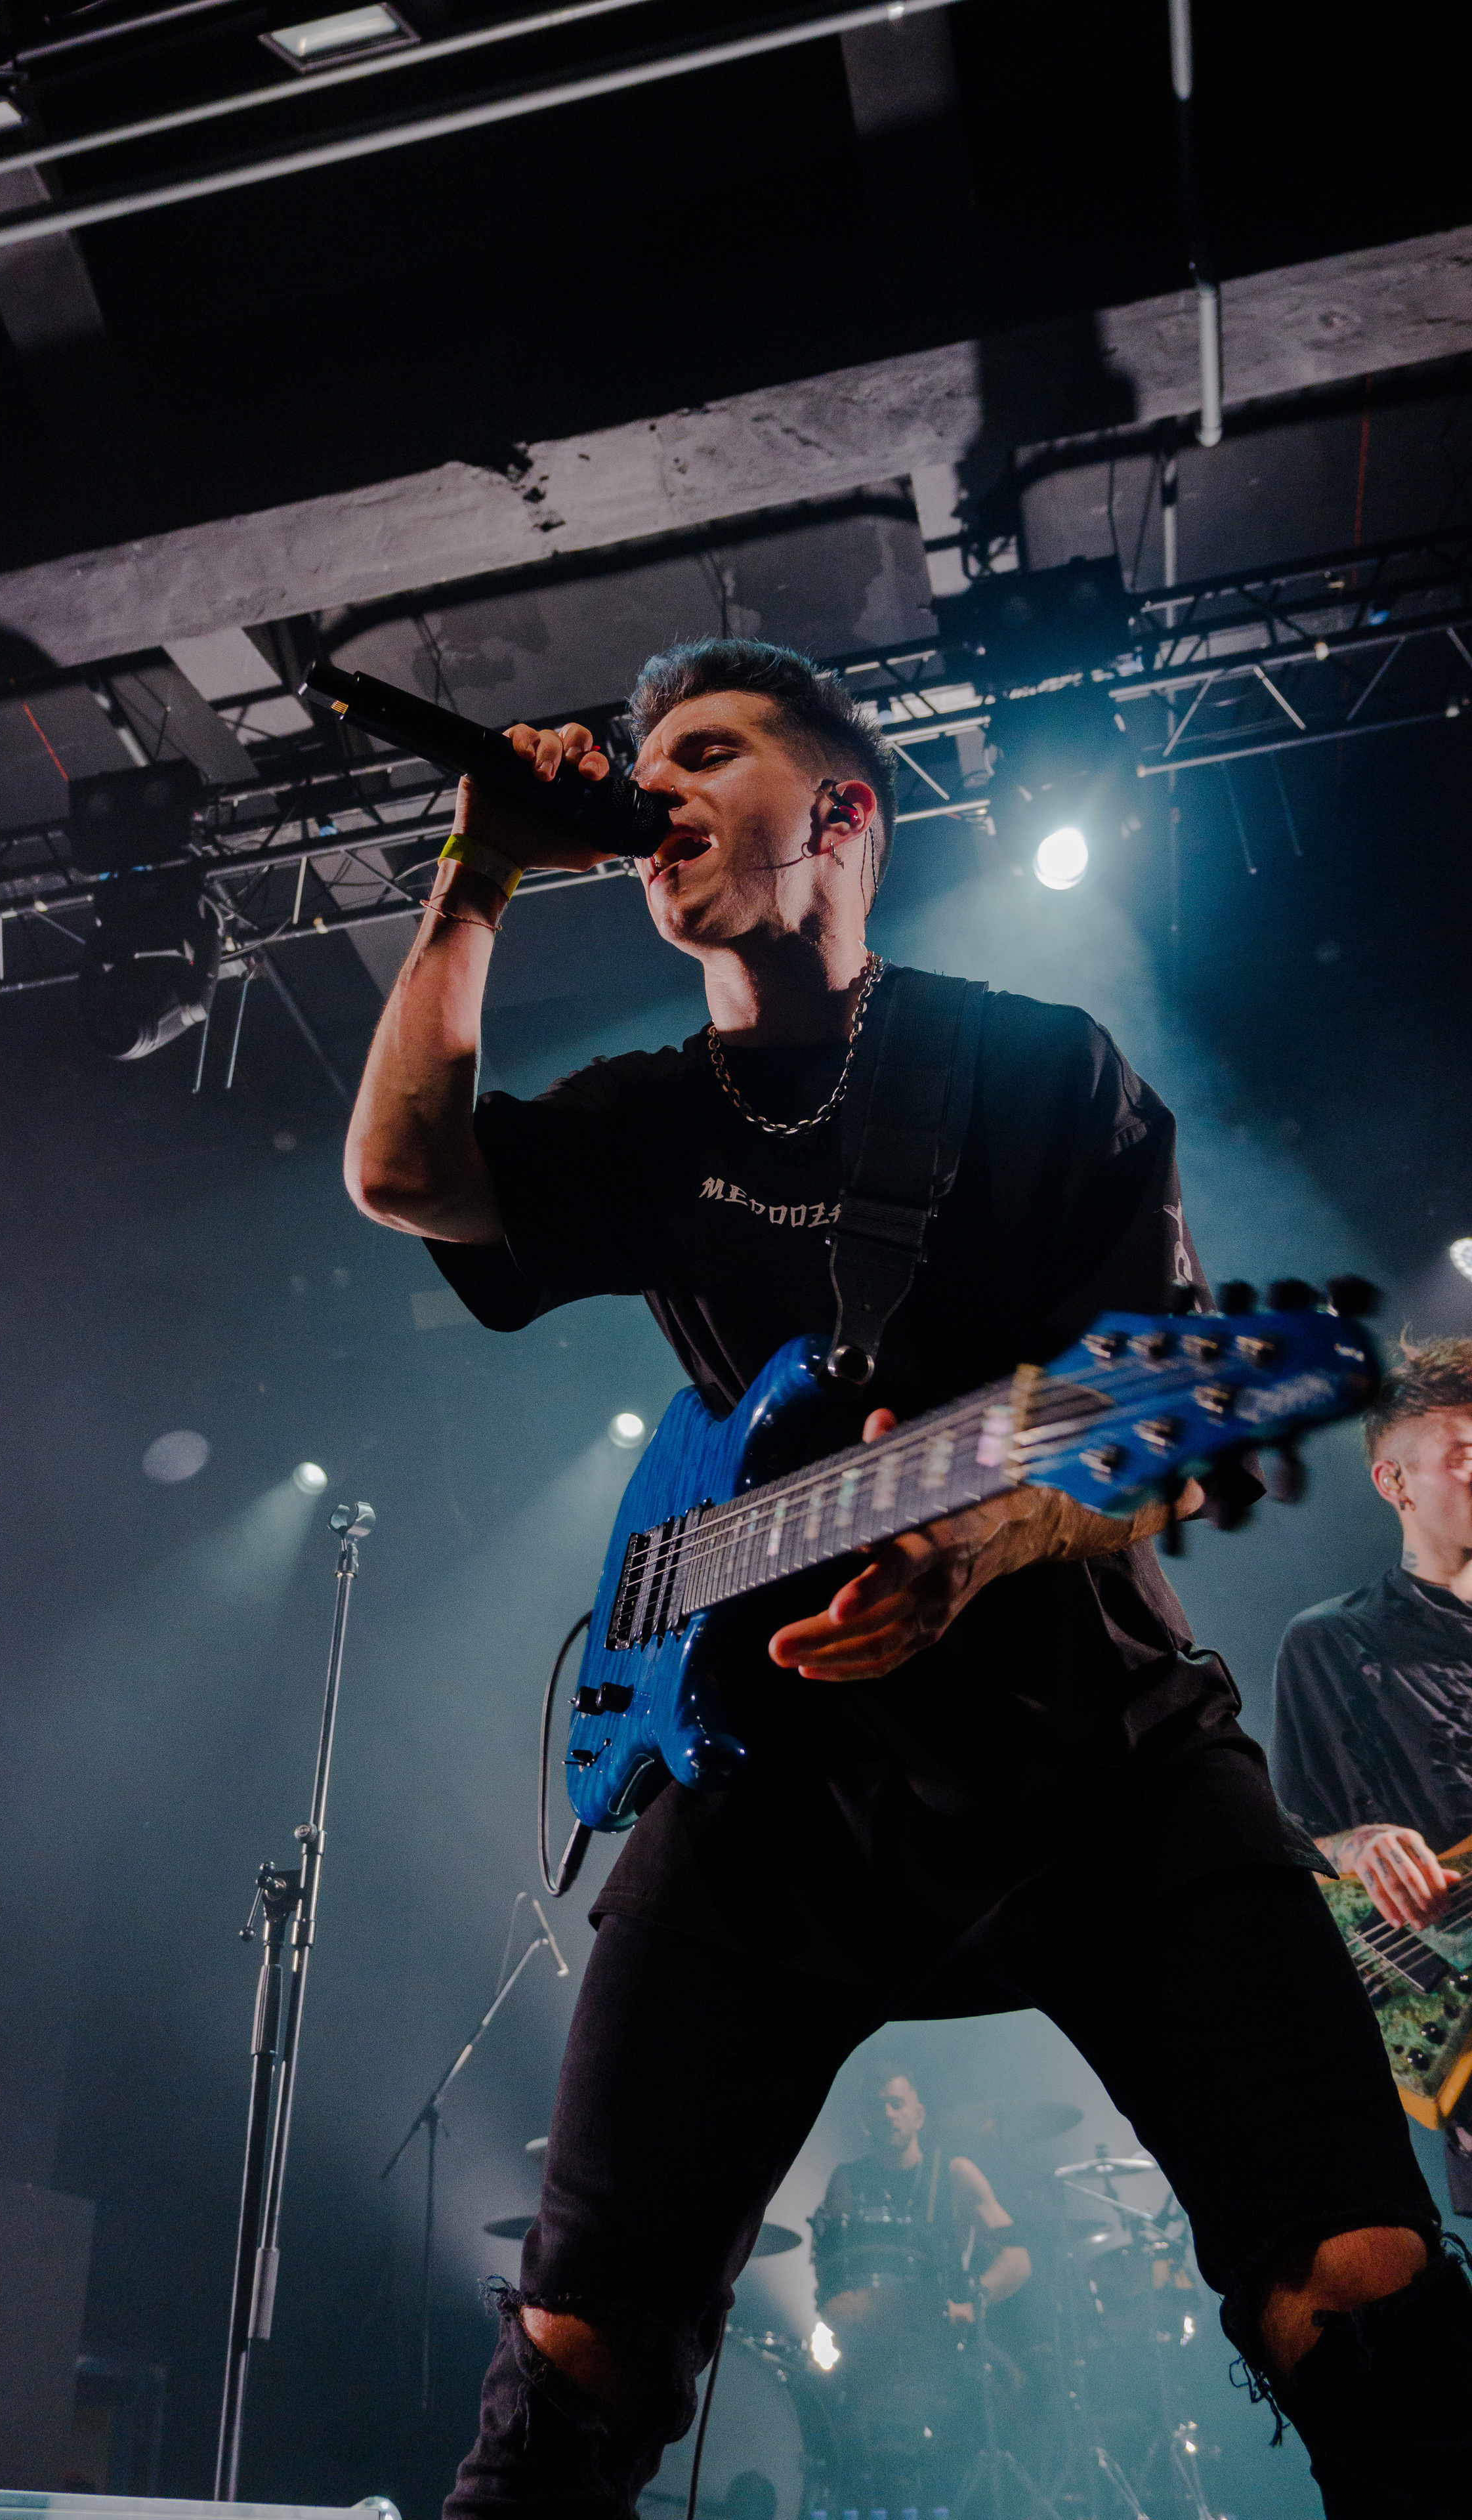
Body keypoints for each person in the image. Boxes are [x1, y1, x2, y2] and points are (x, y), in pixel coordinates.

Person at [344, 637, 1471, 2518]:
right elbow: (402, 1172)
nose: (656, 786)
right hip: (766, 1781)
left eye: (708, 752)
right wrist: (478, 870)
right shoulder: (649, 1116)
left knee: (1356, 2283)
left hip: (1096, 1751)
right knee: (577, 2352)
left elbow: (1169, 1427)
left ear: (840, 811)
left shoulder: (1032, 1067)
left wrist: (981, 1540)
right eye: (644, 760)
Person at [1272, 1335, 1472, 2214]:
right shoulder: (1331, 1641)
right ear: (1395, 1482)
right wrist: (1357, 1842)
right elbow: (1290, 1839)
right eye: (1465, 1455)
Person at [812, 2061, 1031, 2510]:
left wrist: (973, 2306)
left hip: (943, 2344)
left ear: (919, 2115)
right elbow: (831, 2271)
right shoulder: (847, 2180)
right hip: (868, 2352)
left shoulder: (953, 2173)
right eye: (878, 2106)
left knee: (1008, 2395)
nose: (888, 2114)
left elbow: (1018, 2257)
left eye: (897, 2104)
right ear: (864, 2120)